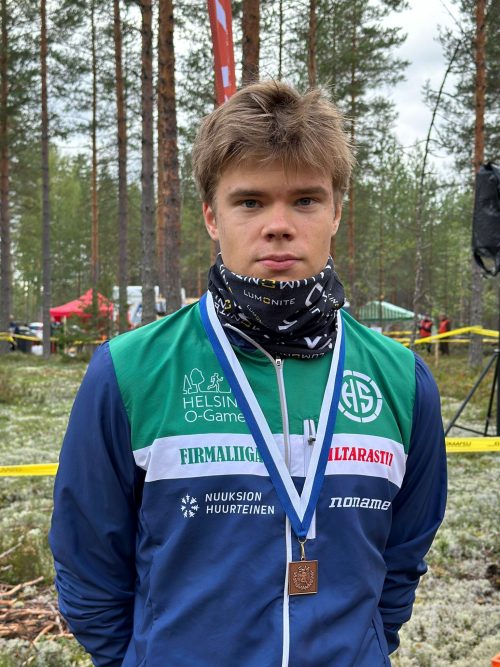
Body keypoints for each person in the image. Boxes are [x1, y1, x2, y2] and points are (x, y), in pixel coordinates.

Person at [49, 81, 447, 667]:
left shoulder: (402, 380)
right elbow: (87, 563)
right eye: (251, 202)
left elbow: (404, 556)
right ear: (212, 217)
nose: (279, 225)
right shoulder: (128, 372)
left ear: (337, 211)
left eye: (305, 200)